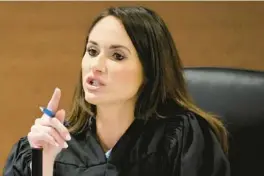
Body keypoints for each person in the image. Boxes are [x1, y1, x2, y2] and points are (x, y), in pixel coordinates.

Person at [3, 6, 230, 176]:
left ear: (149, 72)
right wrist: (41, 166)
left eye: (117, 56)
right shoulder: (45, 147)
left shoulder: (181, 140)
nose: (96, 65)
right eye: (92, 51)